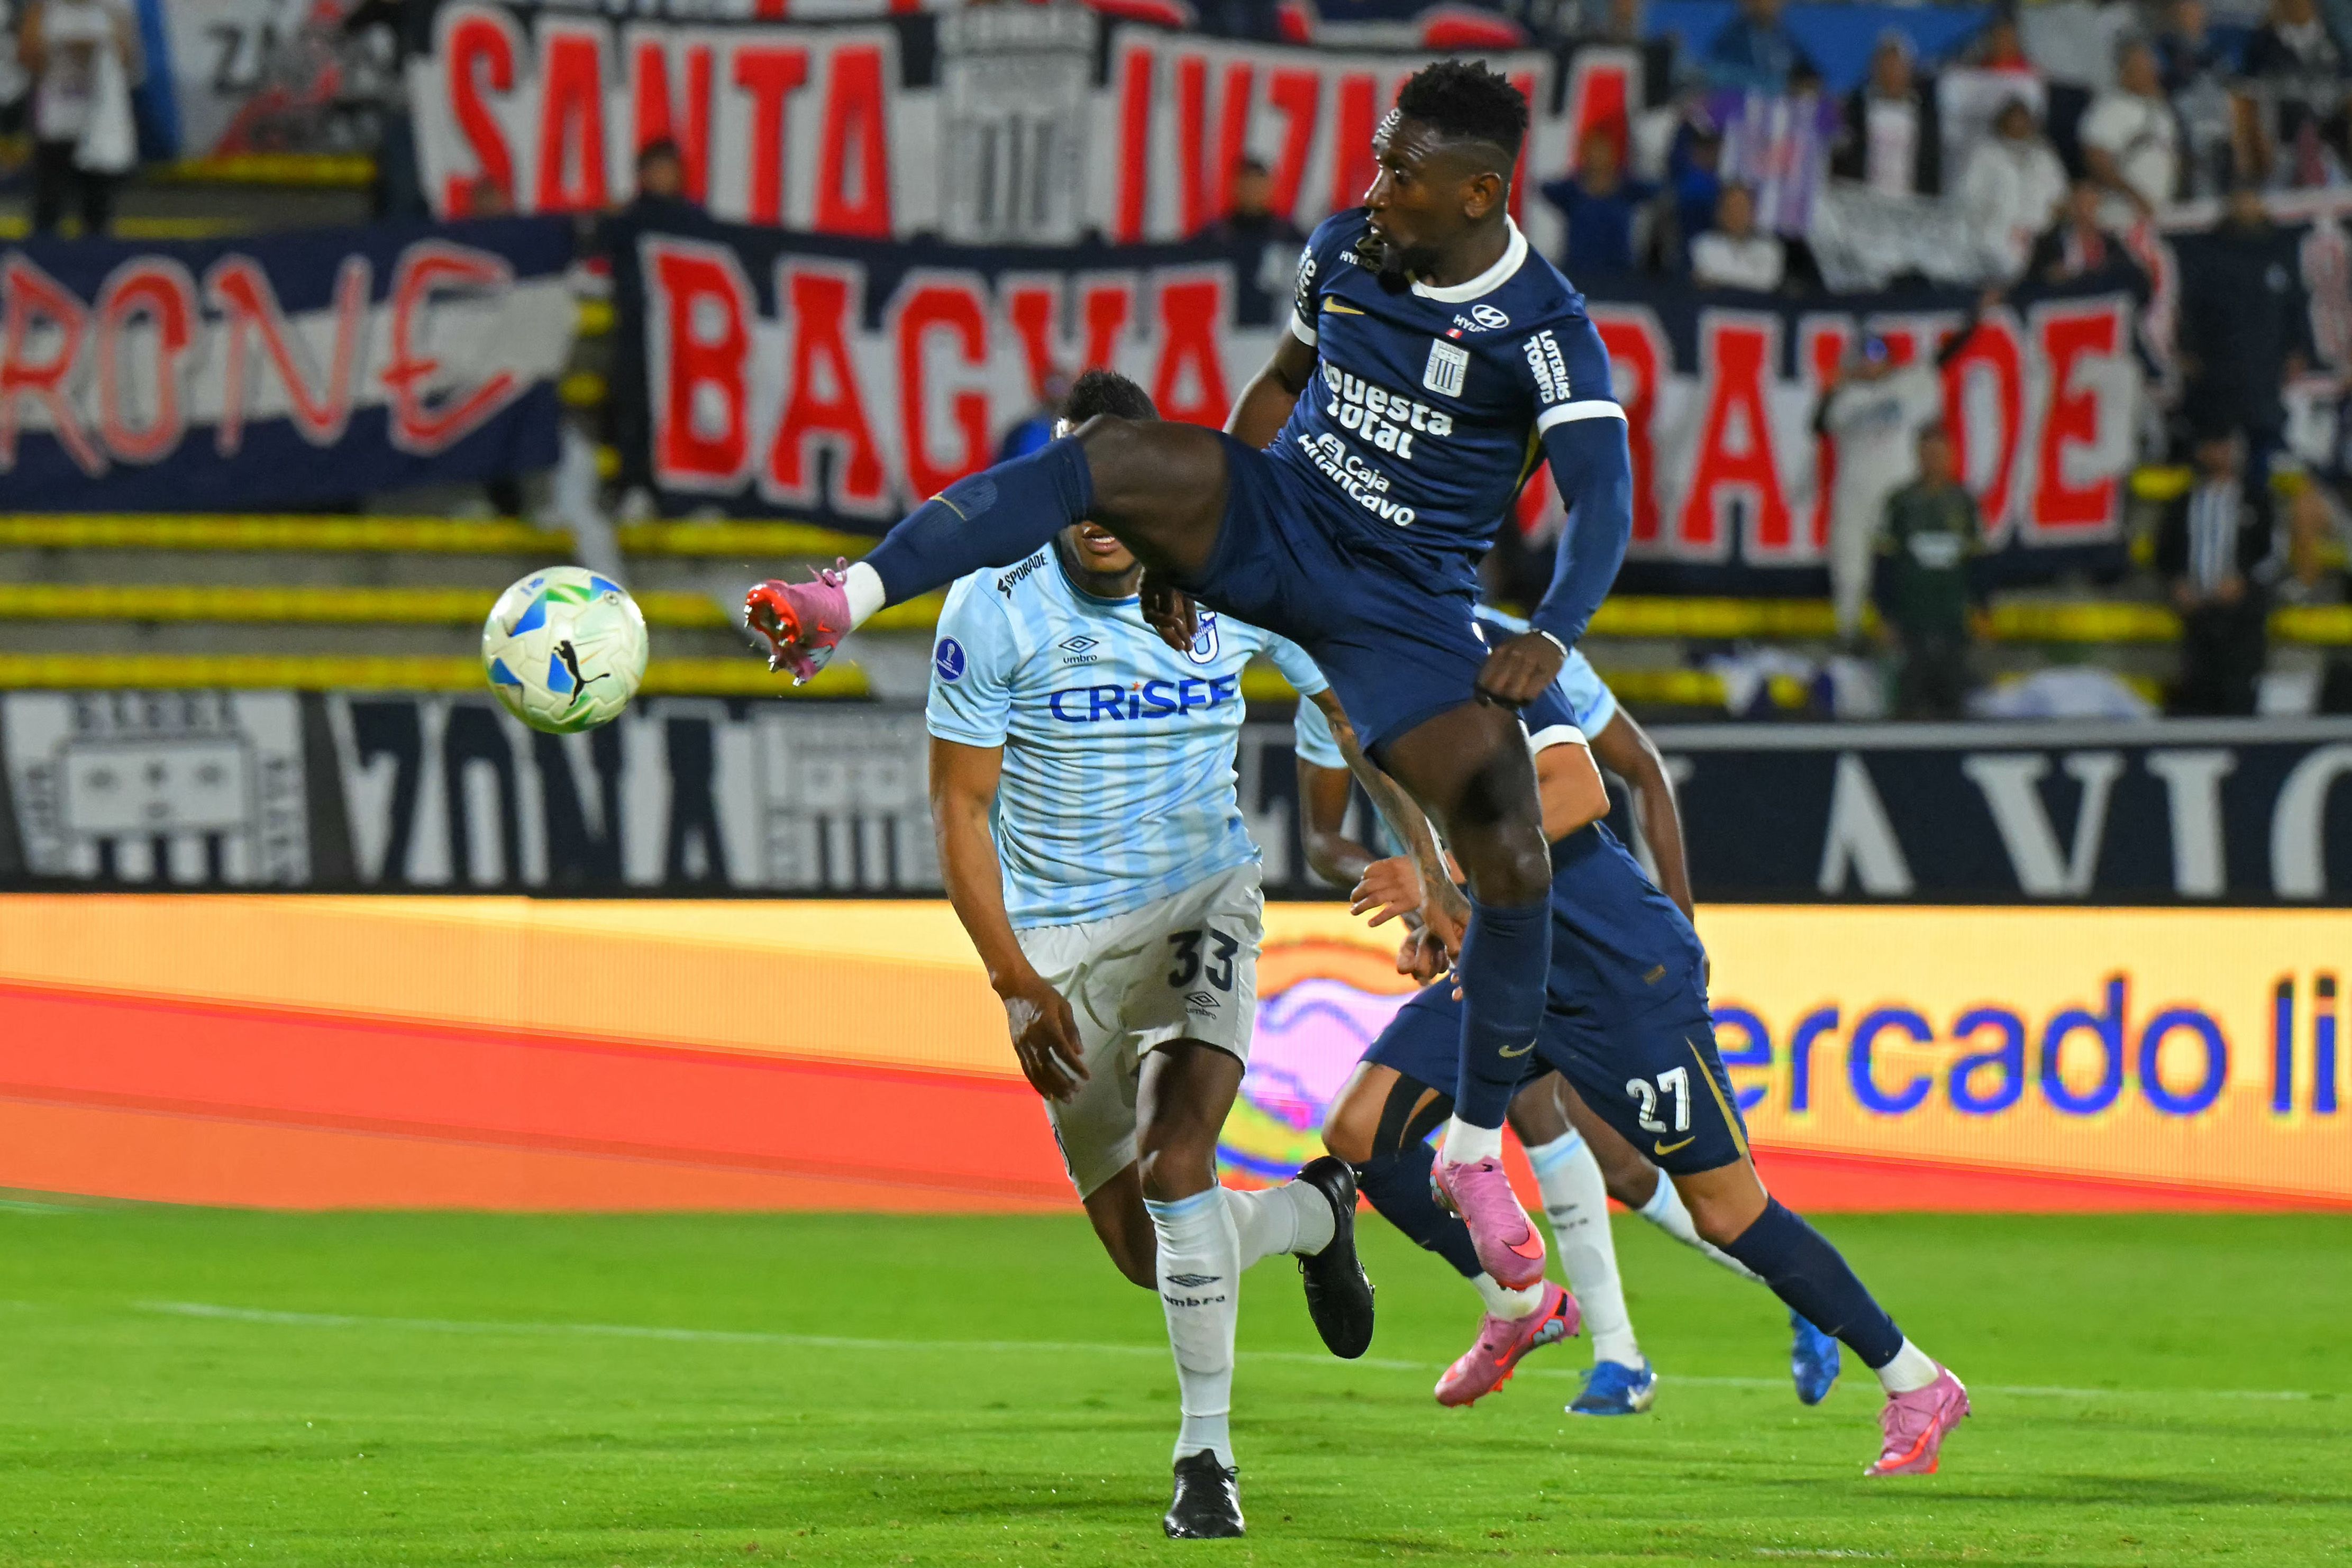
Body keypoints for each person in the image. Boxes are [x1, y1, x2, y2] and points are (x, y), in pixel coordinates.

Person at [745, 62, 1637, 1308]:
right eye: (1377, 162)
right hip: (1284, 517)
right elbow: (1280, 385)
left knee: (1510, 851)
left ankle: (1475, 1145)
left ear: (1480, 192)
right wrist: (1195, 549)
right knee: (1103, 460)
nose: (1372, 188)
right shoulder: (1346, 250)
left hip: (1403, 601)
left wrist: (1554, 626)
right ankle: (843, 595)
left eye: (1402, 173)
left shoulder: (1545, 331)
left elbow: (1603, 494)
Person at [925, 368, 1376, 1539]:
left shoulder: (1230, 584)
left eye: (1124, 483)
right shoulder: (993, 607)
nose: (1100, 510)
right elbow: (959, 815)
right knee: (1147, 1251)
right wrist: (1018, 985)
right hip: (1062, 949)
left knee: (1183, 1169)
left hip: (1199, 904)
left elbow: (1350, 698)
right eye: (1081, 482)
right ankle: (1316, 1216)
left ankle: (1206, 1459)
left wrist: (1407, 847)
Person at [1314, 677, 1971, 1475]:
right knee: (1358, 1131)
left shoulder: (1489, 653)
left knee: (1728, 1211)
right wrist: (1444, 914)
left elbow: (1577, 791)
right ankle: (1518, 1303)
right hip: (1509, 965)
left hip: (1617, 976)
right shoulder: (1375, 680)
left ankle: (1915, 1381)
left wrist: (1437, 875)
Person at [1294, 616, 1844, 1416]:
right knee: (1537, 1130)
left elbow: (1636, 774)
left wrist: (1680, 924)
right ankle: (1596, 1340)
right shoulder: (1328, 666)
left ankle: (1640, 1328)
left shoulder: (1516, 654)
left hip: (1575, 934)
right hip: (1478, 926)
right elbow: (1323, 836)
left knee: (1616, 1159)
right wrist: (1426, 897)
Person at [1814, 302, 1994, 644]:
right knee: (1850, 571)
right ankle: (1848, 638)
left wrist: (1977, 317)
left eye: (1877, 353)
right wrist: (1831, 387)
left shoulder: (1908, 385)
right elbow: (1819, 426)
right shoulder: (1846, 396)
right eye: (1864, 354)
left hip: (1900, 498)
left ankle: (1903, 634)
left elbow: (1945, 357)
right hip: (1855, 494)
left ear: (1890, 358)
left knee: (1905, 569)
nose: (1871, 361)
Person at [2176, 183, 2313, 473]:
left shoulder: (2279, 248)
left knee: (2266, 440)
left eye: (2253, 199)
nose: (2247, 206)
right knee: (2218, 446)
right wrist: (2187, 347)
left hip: (2266, 362)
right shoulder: (2210, 250)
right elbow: (2191, 305)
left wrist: (2299, 346)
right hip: (2220, 361)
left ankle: (2260, 499)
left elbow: (2295, 303)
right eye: (2241, 199)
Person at [2158, 433, 2277, 715]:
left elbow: (2272, 555)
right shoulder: (2183, 503)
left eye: (2227, 446)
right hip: (2197, 614)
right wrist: (2177, 584)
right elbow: (2164, 555)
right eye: (2215, 445)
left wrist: (2244, 583)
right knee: (2197, 691)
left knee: (2238, 689)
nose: (2223, 453)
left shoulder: (2257, 500)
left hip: (2242, 616)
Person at [1875, 425, 1987, 721]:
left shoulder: (1964, 503)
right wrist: (1886, 616)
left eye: (1939, 454)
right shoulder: (1901, 502)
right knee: (1908, 699)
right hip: (1912, 617)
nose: (1933, 461)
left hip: (1952, 617)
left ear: (1951, 456)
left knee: (1953, 698)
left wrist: (1982, 608)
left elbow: (1978, 562)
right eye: (1927, 454)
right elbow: (1884, 564)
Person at [17, 0, 140, 235]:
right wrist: (61, 49)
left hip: (100, 124)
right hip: (56, 122)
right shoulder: (44, 9)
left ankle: (95, 260)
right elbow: (28, 61)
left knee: (98, 207)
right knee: (48, 204)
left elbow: (129, 62)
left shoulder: (115, 9)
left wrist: (101, 50)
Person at [2242, 0, 2352, 186]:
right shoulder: (2263, 46)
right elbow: (2247, 100)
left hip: (2332, 154)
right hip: (2283, 152)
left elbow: (2347, 97)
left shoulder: (2334, 43)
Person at [1957, 98, 2068, 281]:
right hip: (1997, 238)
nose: (2019, 123)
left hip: (2040, 240)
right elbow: (1969, 198)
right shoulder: (1984, 154)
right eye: (2014, 118)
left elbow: (2061, 197)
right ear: (2002, 121)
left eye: (2024, 118)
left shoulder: (2044, 154)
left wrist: (2042, 228)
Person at [2078, 39, 2180, 229]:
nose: (2152, 74)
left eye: (2152, 67)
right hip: (2120, 217)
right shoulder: (2107, 110)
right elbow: (2097, 161)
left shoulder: (2162, 110)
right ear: (2125, 72)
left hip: (2161, 215)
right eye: (2144, 68)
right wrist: (2134, 195)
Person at [1538, 126, 1658, 279]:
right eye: (1593, 150)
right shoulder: (1569, 191)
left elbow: (1659, 189)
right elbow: (1542, 187)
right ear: (1583, 154)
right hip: (1577, 273)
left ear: (1614, 154)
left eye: (1603, 150)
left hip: (1620, 274)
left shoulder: (1629, 189)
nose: (1598, 156)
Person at [1834, 32, 1943, 197]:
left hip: (1909, 207)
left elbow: (1931, 165)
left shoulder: (1925, 116)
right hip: (1861, 204)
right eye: (1885, 66)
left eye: (1897, 67)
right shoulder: (1855, 111)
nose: (1891, 74)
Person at [2027, 177, 2143, 285]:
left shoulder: (2112, 244)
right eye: (2083, 204)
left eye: (2093, 204)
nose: (2089, 211)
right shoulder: (2049, 244)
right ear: (2071, 208)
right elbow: (2029, 286)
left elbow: (2135, 280)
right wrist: (2049, 277)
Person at [1195, 155, 1308, 250]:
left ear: (1270, 189)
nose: (1253, 192)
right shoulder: (1216, 236)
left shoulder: (1288, 237)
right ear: (1236, 188)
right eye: (1248, 185)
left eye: (1258, 186)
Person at [1702, 0, 1815, 94]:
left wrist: (1807, 84)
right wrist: (1781, 87)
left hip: (1781, 112)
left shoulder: (1784, 37)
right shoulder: (1733, 38)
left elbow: (1808, 73)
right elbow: (1717, 75)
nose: (1774, 4)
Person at [1689, 184, 1785, 291]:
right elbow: (1708, 282)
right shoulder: (1703, 245)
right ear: (1720, 212)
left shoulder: (1770, 249)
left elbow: (1766, 283)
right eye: (1731, 207)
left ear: (1753, 212)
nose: (1737, 214)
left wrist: (1721, 279)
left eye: (1742, 207)